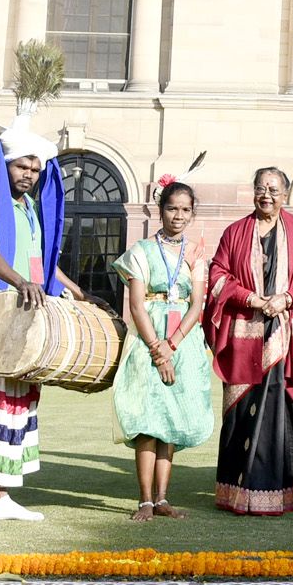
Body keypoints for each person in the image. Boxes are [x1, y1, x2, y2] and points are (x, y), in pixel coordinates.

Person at [0, 121, 85, 530]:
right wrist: (20, 282)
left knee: (15, 412)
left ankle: (0, 496)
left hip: (25, 330)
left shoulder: (31, 213)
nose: (29, 174)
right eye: (22, 166)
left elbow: (43, 265)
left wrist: (77, 291)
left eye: (35, 169)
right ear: (5, 166)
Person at [205, 166, 293, 515]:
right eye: (261, 188)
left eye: (273, 189)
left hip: (287, 336)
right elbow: (217, 276)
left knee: (284, 414)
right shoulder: (234, 233)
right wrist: (251, 299)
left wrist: (286, 299)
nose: (266, 195)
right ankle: (236, 493)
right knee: (241, 414)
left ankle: (280, 492)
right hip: (244, 335)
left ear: (285, 195)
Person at [111, 177, 212, 520]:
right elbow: (137, 305)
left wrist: (173, 345)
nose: (178, 216)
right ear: (161, 210)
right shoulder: (141, 251)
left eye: (185, 210)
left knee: (171, 418)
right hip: (147, 339)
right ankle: (144, 500)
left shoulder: (196, 253)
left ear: (192, 213)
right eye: (172, 209)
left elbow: (197, 304)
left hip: (183, 342)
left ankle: (163, 498)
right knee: (147, 418)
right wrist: (157, 348)